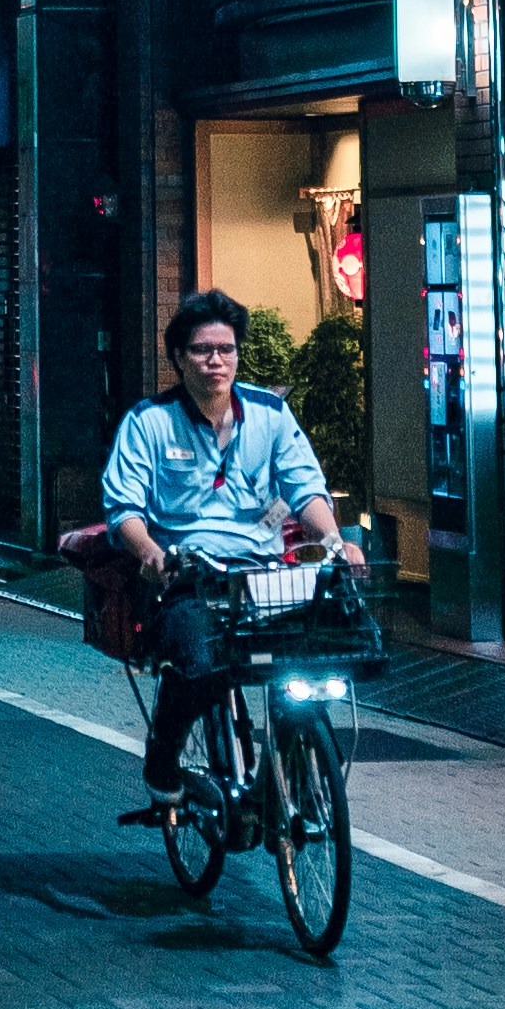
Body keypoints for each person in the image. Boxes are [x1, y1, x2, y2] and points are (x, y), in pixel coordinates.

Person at [101, 288, 363, 809]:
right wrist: (151, 552)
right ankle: (164, 752)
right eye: (202, 350)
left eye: (226, 349)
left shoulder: (270, 414)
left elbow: (304, 488)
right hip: (187, 578)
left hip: (264, 574)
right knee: (199, 666)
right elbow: (123, 508)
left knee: (313, 654)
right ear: (179, 358)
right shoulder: (149, 422)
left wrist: (334, 540)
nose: (215, 360)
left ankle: (302, 760)